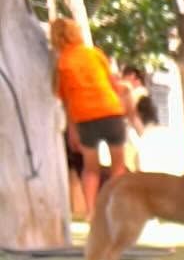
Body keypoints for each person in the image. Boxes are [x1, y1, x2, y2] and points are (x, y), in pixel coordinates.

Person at [49, 18, 128, 219]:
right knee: (118, 166)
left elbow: (66, 100)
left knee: (90, 168)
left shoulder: (62, 63)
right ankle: (116, 209)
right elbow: (113, 84)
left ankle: (91, 212)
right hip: (110, 112)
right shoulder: (94, 53)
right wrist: (125, 92)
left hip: (84, 118)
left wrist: (72, 131)